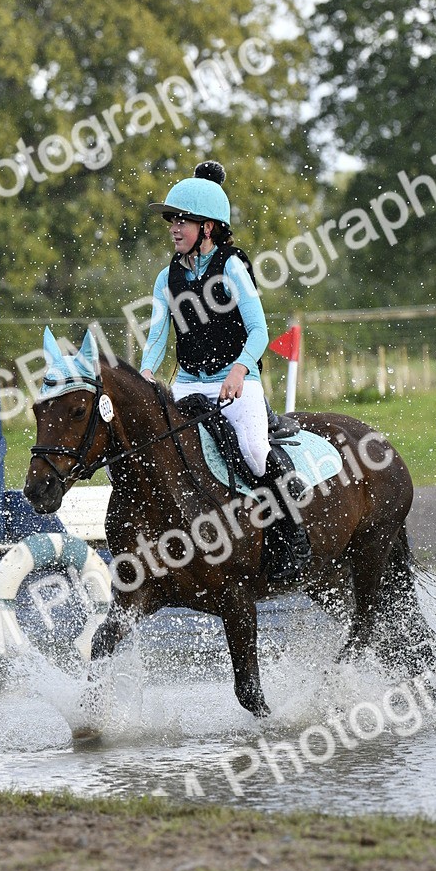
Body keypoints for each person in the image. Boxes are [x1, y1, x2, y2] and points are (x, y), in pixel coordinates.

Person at [140, 160, 310, 586]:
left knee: (252, 451)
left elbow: (259, 330)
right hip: (187, 384)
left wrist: (239, 370)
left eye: (183, 221)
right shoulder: (167, 277)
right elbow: (158, 336)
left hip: (236, 382)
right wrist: (145, 372)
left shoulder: (232, 267)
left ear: (209, 228)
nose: (174, 228)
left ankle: (293, 534)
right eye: (172, 221)